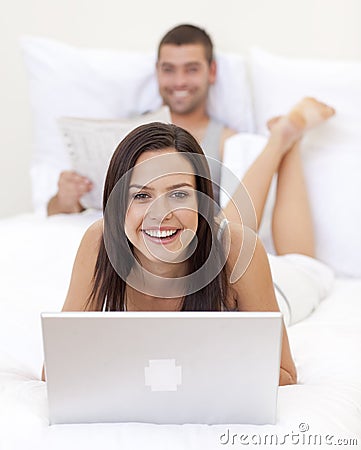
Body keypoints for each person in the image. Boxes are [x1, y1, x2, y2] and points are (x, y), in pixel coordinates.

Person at [46, 24, 335, 264]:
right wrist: (66, 198)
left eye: (191, 69)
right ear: (157, 72)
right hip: (127, 240)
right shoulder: (123, 133)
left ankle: (283, 141)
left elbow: (249, 231)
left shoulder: (229, 141)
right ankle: (284, 138)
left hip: (199, 242)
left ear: (211, 72)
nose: (179, 81)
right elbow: (57, 213)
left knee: (228, 236)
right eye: (169, 69)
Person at [56, 121, 297, 386]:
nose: (160, 214)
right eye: (141, 196)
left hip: (284, 285)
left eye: (179, 193)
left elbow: (284, 373)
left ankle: (282, 141)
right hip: (201, 238)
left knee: (237, 236)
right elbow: (58, 368)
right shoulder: (99, 242)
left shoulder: (239, 250)